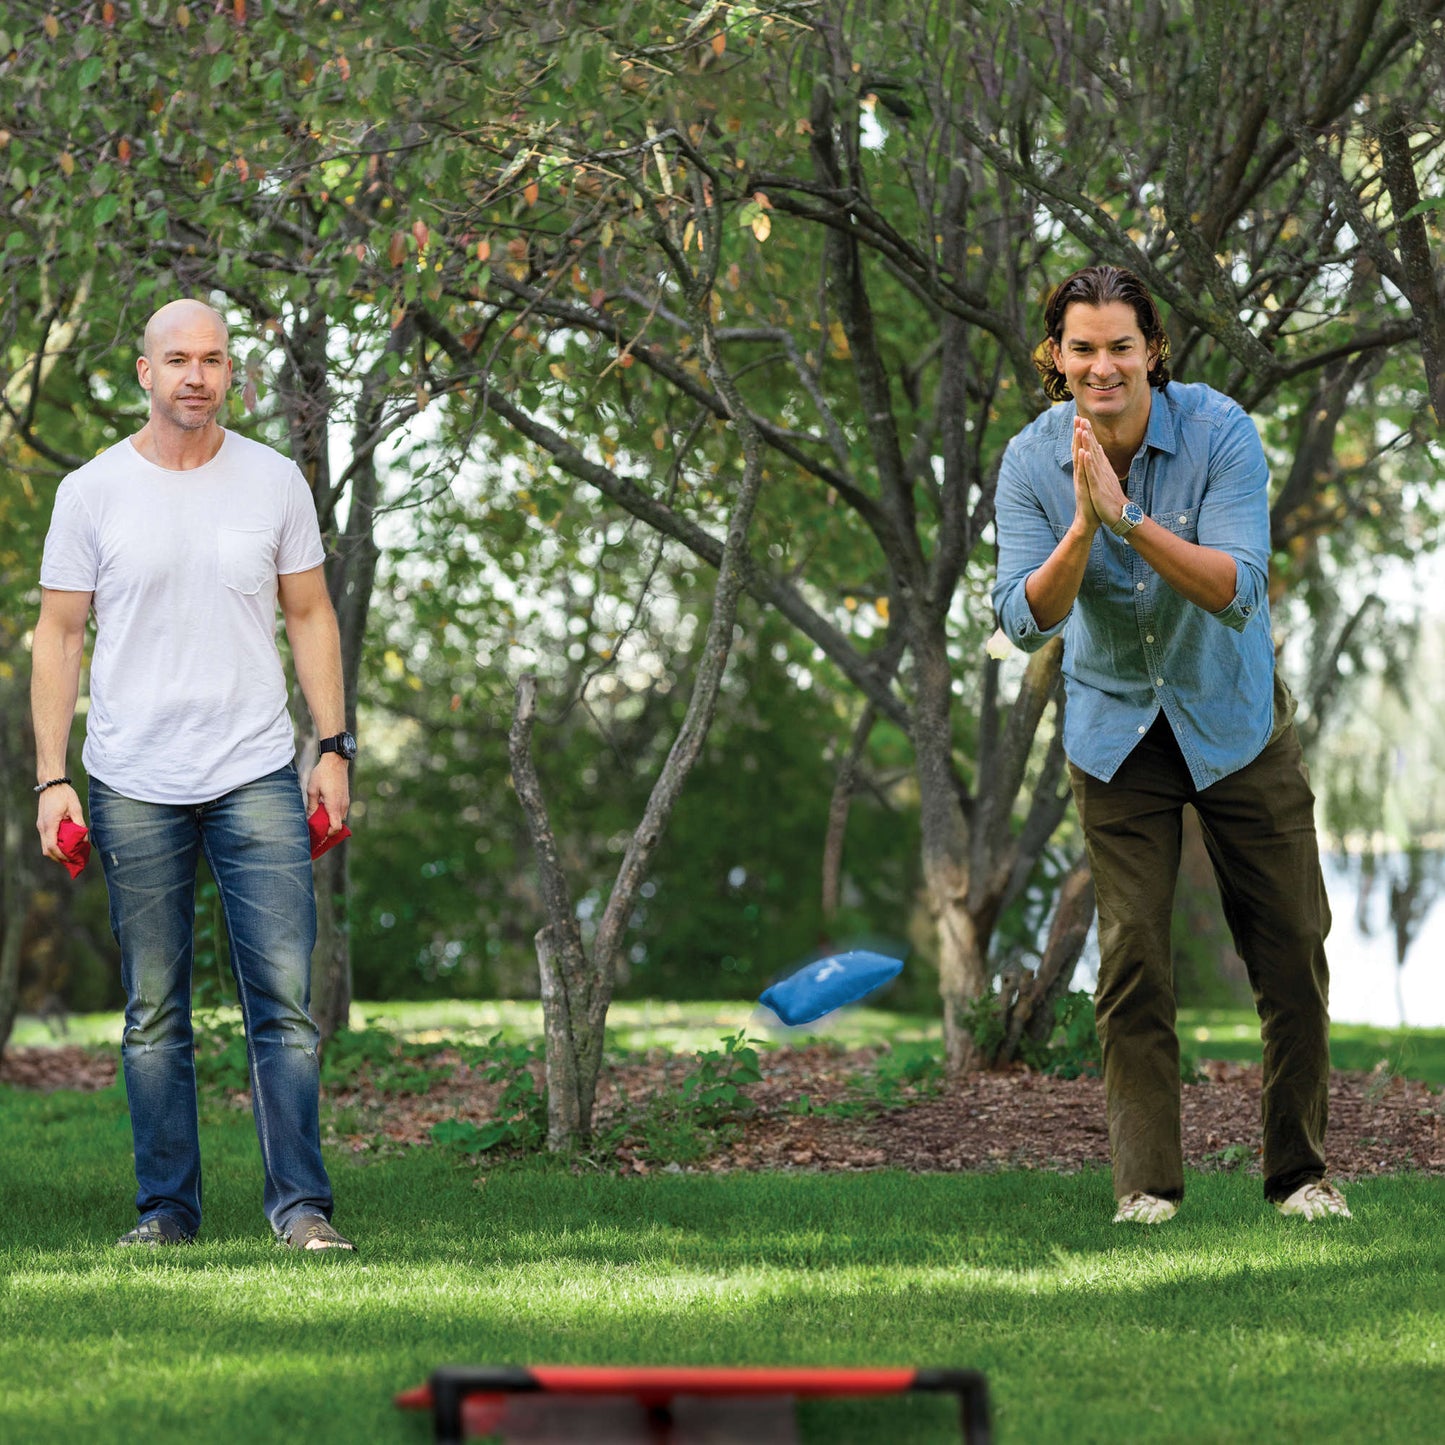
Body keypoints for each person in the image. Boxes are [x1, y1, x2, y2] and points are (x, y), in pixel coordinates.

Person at [992, 264, 1348, 1225]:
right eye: (1081, 348)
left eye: (1119, 346)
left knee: (1291, 949)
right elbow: (1022, 621)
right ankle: (1146, 1187)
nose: (1101, 366)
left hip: (1233, 723)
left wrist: (1128, 520)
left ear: (1153, 348)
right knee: (1135, 956)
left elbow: (1236, 591)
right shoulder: (1029, 461)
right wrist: (1080, 527)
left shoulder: (1219, 431)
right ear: (1054, 359)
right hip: (1116, 733)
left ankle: (1299, 1176)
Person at [32, 298, 358, 1251]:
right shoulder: (92, 491)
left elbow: (310, 615)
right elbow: (58, 634)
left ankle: (301, 1207)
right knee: (153, 1013)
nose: (196, 376)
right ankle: (167, 1211)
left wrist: (331, 749)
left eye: (213, 359)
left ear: (229, 373)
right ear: (144, 371)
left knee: (285, 1004)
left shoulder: (273, 480)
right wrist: (52, 778)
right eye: (177, 358)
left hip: (255, 766)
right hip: (131, 776)